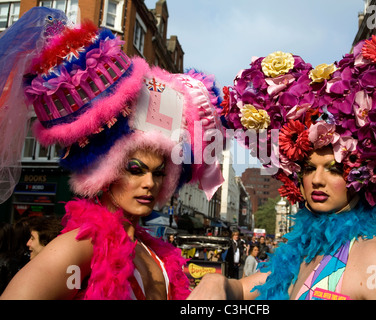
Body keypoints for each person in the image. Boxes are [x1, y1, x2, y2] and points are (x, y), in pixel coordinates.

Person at [188, 27, 376, 300]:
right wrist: (215, 284)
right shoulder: (303, 252)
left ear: (361, 178)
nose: (317, 180)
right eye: (310, 168)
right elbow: (247, 288)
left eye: (334, 169)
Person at [0, 7, 224, 300]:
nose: (150, 183)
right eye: (135, 168)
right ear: (106, 171)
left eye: (159, 173)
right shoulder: (81, 246)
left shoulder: (151, 249)